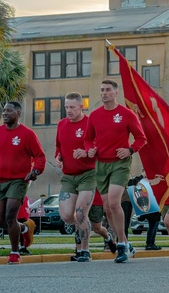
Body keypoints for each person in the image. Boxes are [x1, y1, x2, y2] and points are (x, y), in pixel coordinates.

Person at [84, 79, 148, 263]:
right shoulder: (95, 116)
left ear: (116, 93)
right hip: (101, 164)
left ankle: (120, 245)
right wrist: (90, 149)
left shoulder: (126, 114)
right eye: (101, 90)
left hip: (120, 163)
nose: (104, 93)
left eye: (107, 90)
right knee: (107, 207)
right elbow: (88, 139)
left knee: (113, 202)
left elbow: (141, 138)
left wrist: (129, 150)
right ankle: (126, 243)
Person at [0, 101, 46, 265]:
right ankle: (25, 228)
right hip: (0, 181)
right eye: (3, 111)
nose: (5, 113)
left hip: (19, 180)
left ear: (18, 113)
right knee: (1, 221)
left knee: (10, 215)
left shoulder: (27, 134)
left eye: (9, 111)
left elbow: (40, 156)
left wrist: (36, 171)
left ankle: (15, 252)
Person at [55, 92, 97, 262]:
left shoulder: (90, 123)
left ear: (81, 106)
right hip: (68, 176)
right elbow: (59, 147)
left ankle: (84, 250)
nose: (69, 110)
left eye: (72, 107)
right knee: (66, 216)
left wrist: (86, 152)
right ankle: (84, 227)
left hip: (88, 174)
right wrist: (58, 157)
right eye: (66, 107)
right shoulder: (61, 124)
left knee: (80, 213)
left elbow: (98, 147)